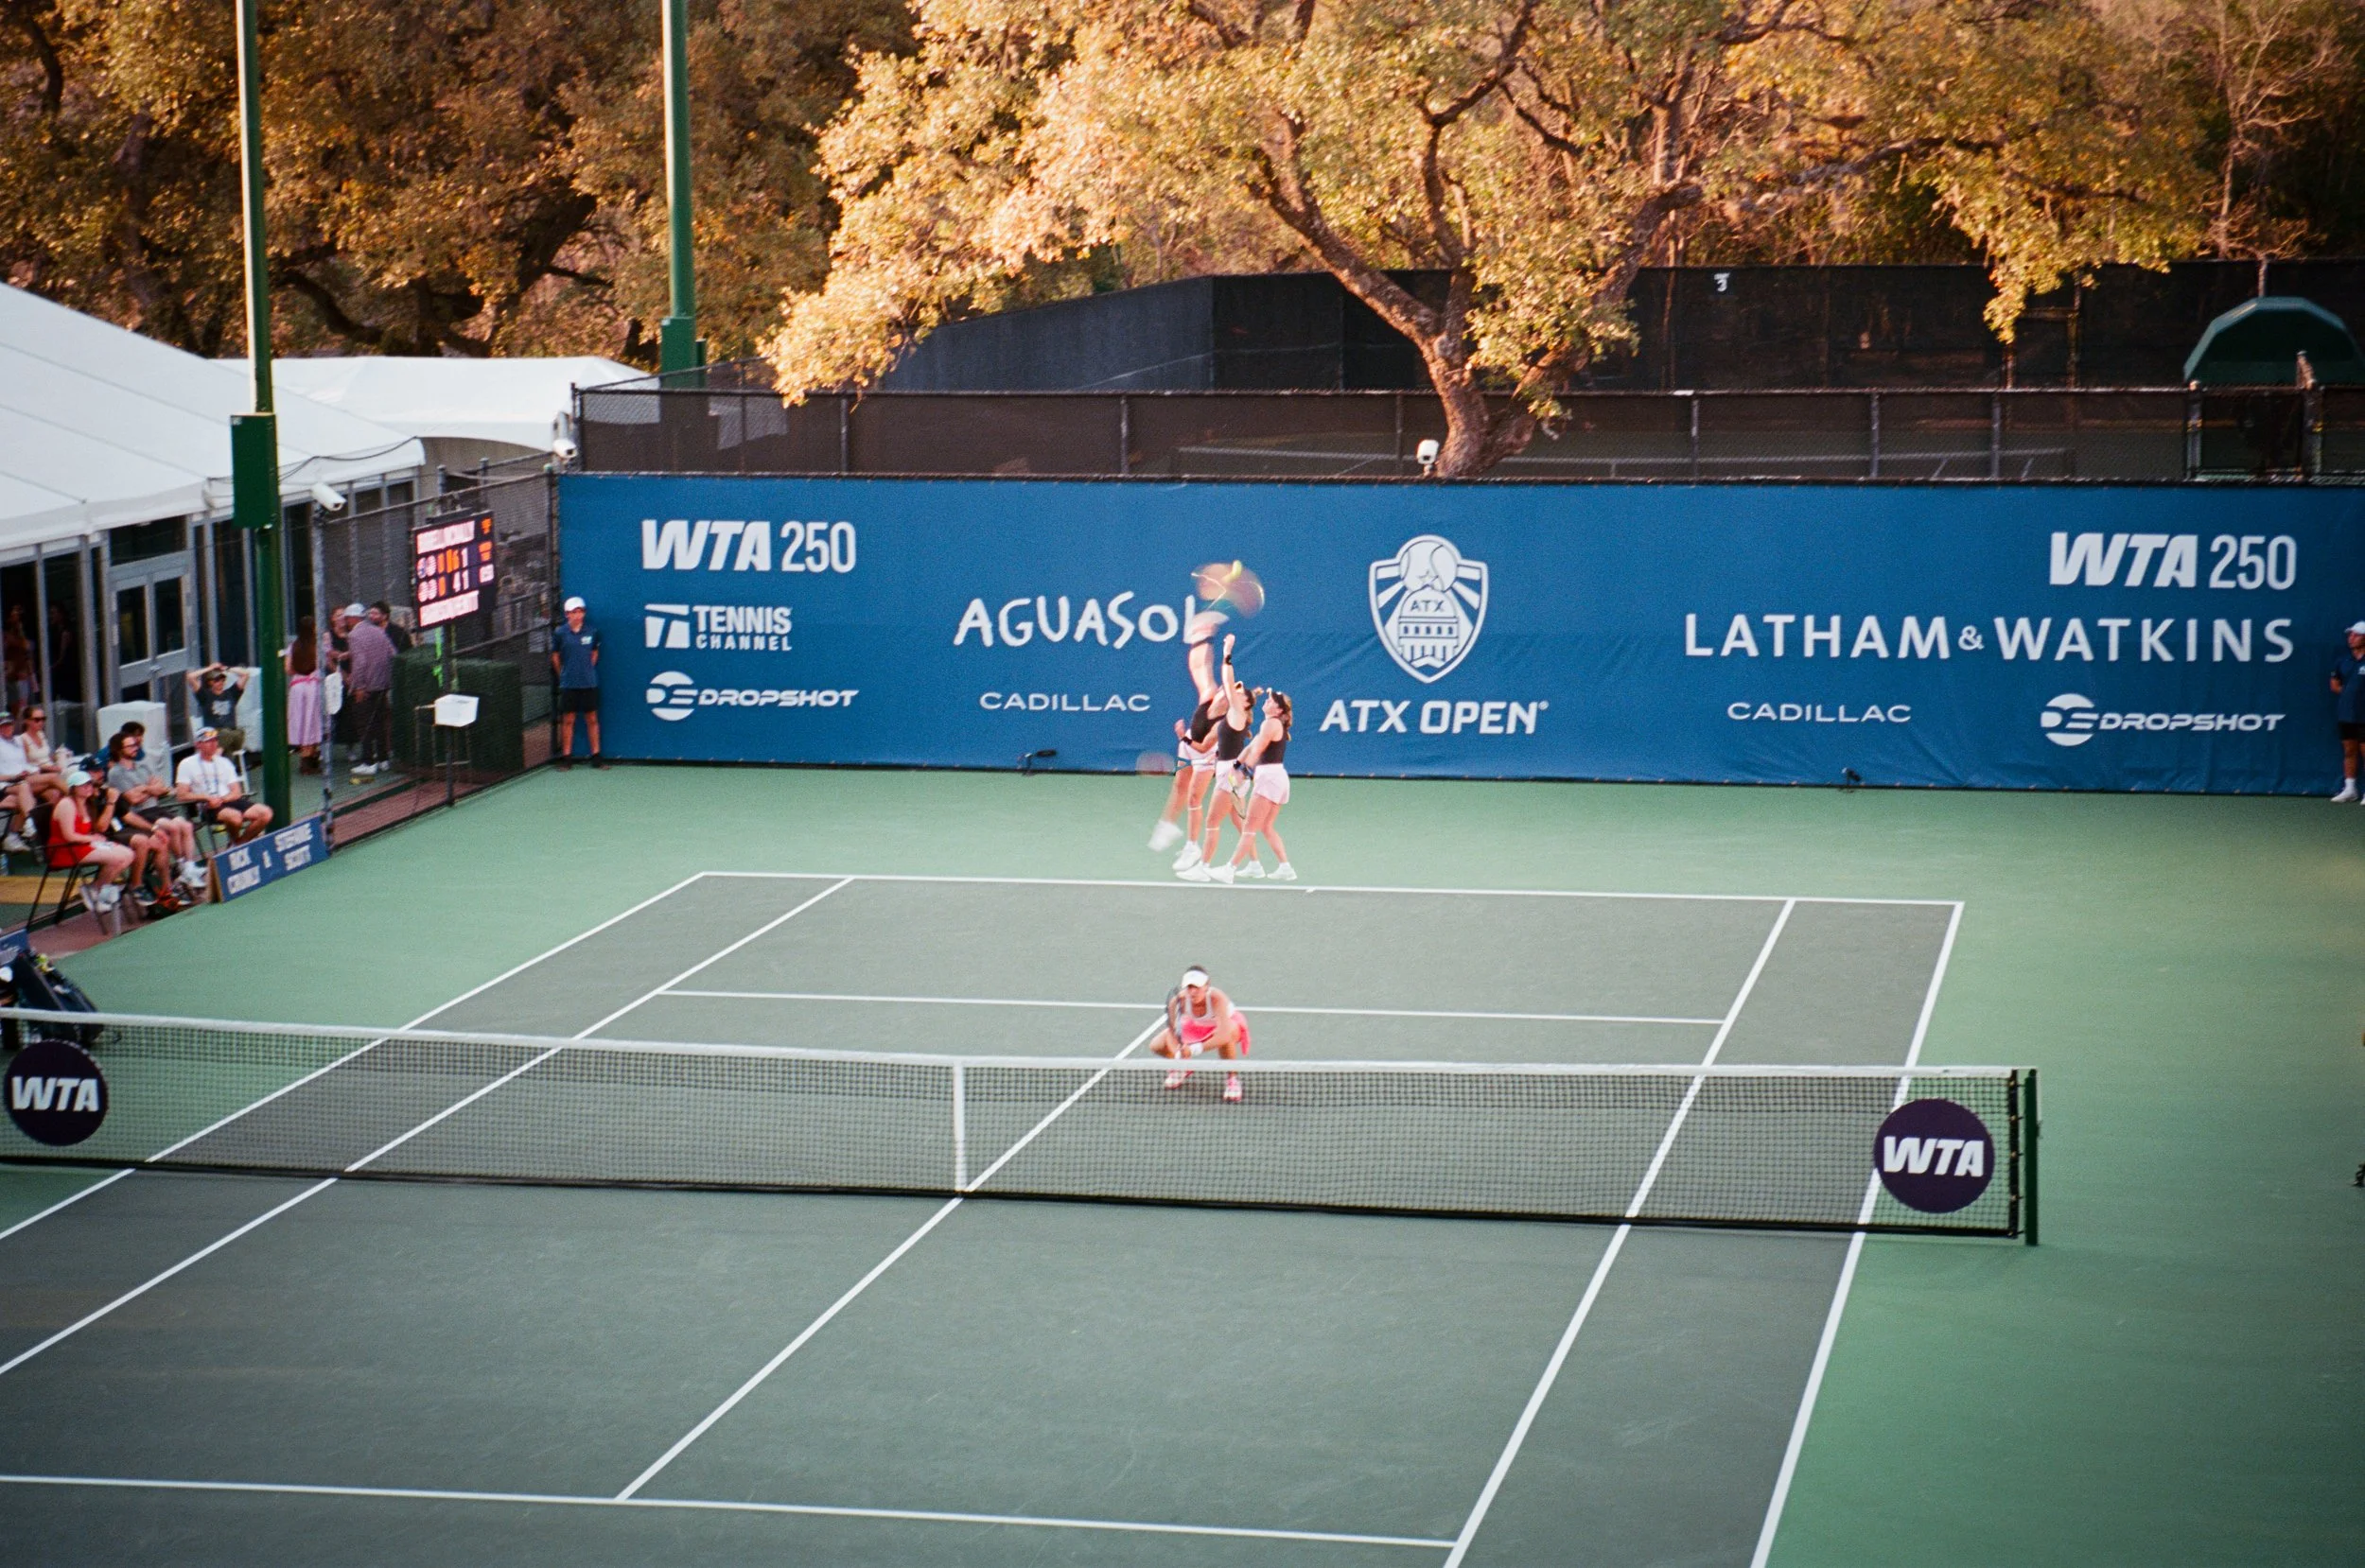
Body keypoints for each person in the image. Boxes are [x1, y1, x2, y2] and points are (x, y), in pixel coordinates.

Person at [1150, 610, 1226, 857]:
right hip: (1188, 745)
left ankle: (1193, 847)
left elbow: (1203, 748)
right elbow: (1199, 664)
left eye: (1231, 692)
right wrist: (1201, 637)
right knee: (1179, 787)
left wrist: (1183, 735)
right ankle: (1168, 826)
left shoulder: (1221, 723)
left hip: (1204, 754)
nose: (1225, 690)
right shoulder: (1210, 696)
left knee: (1195, 798)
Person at [105, 728, 204, 892]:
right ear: (119, 750)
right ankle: (181, 866)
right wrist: (151, 788)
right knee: (172, 827)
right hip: (140, 814)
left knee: (185, 825)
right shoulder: (116, 773)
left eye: (135, 745)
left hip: (155, 808)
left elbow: (163, 789)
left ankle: (189, 866)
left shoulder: (143, 766)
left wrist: (143, 788)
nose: (135, 748)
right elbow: (133, 800)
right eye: (130, 746)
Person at [1221, 688, 1296, 883]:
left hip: (1269, 778)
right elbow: (1249, 748)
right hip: (1277, 777)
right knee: (1266, 826)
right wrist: (1236, 766)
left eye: (1271, 701)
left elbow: (1258, 750)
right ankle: (1285, 868)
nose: (1267, 702)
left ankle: (1229, 869)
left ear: (1279, 710)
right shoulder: (1271, 724)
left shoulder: (1270, 724)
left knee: (1249, 828)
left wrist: (1243, 773)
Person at [1149, 966, 1251, 1104]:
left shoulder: (1217, 998)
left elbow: (1223, 1034)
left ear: (1207, 986)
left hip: (1225, 1026)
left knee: (1227, 1038)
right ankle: (1184, 1069)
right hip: (1196, 1026)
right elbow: (1172, 1032)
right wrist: (1179, 1055)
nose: (1192, 992)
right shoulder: (1178, 1002)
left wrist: (1193, 1050)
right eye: (1189, 987)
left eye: (1197, 987)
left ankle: (1232, 1080)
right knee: (1157, 1044)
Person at [48, 769, 134, 914]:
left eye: (90, 784)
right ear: (73, 788)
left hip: (83, 844)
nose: (88, 787)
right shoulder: (66, 804)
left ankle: (96, 889)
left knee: (128, 855)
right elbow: (69, 836)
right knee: (117, 858)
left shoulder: (87, 804)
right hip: (65, 849)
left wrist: (96, 840)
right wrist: (93, 838)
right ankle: (97, 891)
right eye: (83, 785)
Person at [174, 727, 272, 843]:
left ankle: (239, 844)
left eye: (215, 740)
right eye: (208, 741)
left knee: (265, 813)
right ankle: (236, 844)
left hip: (227, 799)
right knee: (235, 817)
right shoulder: (187, 764)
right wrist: (206, 798)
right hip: (207, 806)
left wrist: (221, 799)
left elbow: (236, 791)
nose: (213, 744)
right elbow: (181, 795)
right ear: (198, 745)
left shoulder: (224, 762)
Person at [339, 601, 395, 775]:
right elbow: (392, 653)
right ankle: (383, 759)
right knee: (379, 722)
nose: (346, 621)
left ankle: (368, 762)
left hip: (367, 687)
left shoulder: (354, 636)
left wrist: (360, 686)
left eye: (347, 618)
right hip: (382, 685)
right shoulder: (378, 631)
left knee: (365, 724)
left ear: (353, 619)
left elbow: (361, 662)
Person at [551, 595, 604, 769]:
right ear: (567, 614)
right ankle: (567, 759)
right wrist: (564, 674)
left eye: (580, 611)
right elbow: (555, 656)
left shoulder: (592, 632)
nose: (577, 615)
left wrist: (587, 670)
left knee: (592, 719)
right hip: (569, 685)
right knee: (568, 721)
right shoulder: (560, 633)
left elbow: (594, 653)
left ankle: (596, 758)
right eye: (574, 612)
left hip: (589, 683)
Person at [286, 616, 324, 772]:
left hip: (297, 686)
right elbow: (323, 663)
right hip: (313, 685)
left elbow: (288, 669)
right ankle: (310, 757)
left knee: (300, 720)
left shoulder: (293, 646)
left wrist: (300, 673)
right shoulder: (318, 646)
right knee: (313, 720)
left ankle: (305, 756)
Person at [2332, 621, 2365, 801]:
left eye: (2356, 635)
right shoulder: (2343, 661)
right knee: (2349, 751)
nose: (2351, 638)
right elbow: (2335, 683)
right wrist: (2349, 695)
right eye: (2350, 634)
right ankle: (2350, 789)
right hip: (2347, 714)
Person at [185, 664, 250, 755]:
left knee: (237, 732)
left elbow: (245, 674)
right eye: (217, 680)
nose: (221, 682)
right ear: (210, 682)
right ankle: (220, 761)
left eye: (223, 679)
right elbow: (190, 677)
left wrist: (227, 668)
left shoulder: (231, 693)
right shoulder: (205, 696)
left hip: (231, 733)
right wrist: (209, 668)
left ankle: (215, 759)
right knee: (226, 740)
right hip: (212, 735)